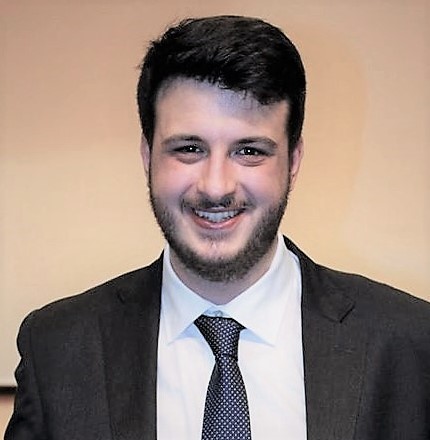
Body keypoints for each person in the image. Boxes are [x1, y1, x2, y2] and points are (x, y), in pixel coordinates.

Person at [5, 15, 430, 440]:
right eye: (189, 148)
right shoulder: (57, 349)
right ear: (147, 156)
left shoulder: (411, 343)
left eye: (249, 151)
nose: (216, 186)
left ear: (293, 162)